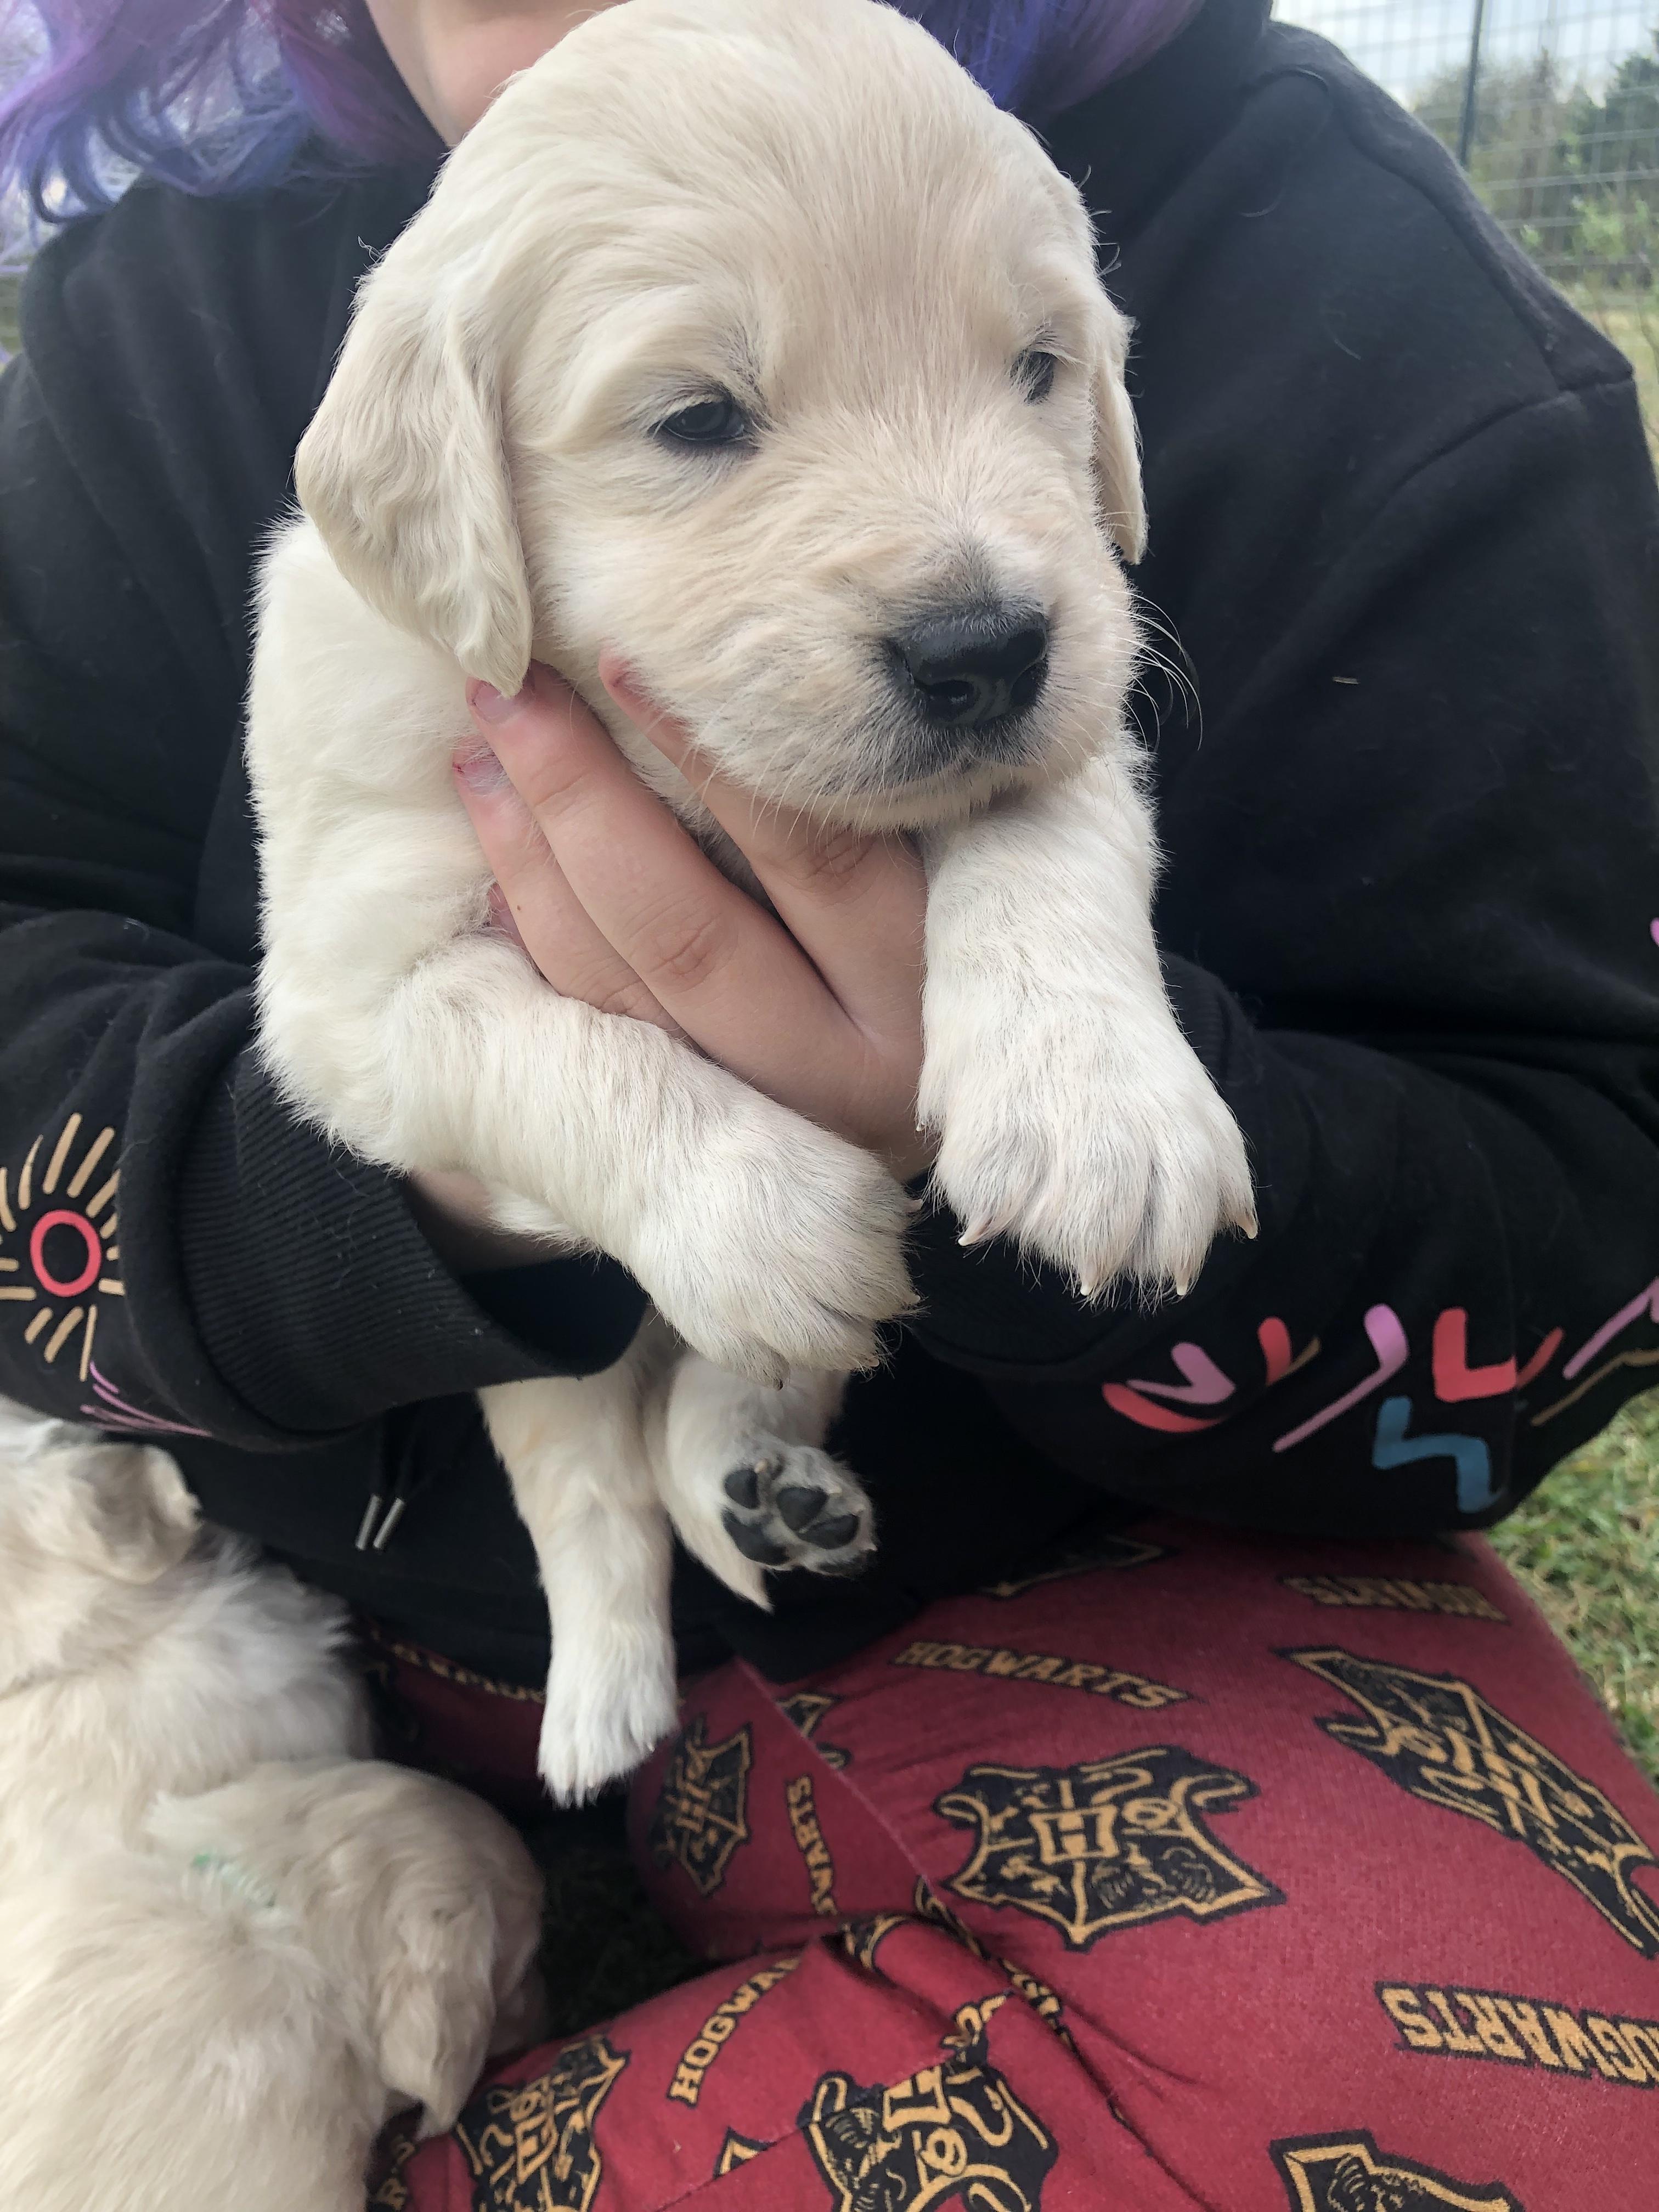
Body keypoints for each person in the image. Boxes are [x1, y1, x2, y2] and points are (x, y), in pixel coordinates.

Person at [2, 0, 1658, 2198]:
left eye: (1035, 372)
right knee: (123, 2091)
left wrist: (1004, 1103)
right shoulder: (162, 311)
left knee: (1474, 2106)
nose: (967, 585)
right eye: (699, 415)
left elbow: (1571, 1194)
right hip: (198, 1551)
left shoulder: (1352, 285)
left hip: (1038, 1590)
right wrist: (508, 1180)